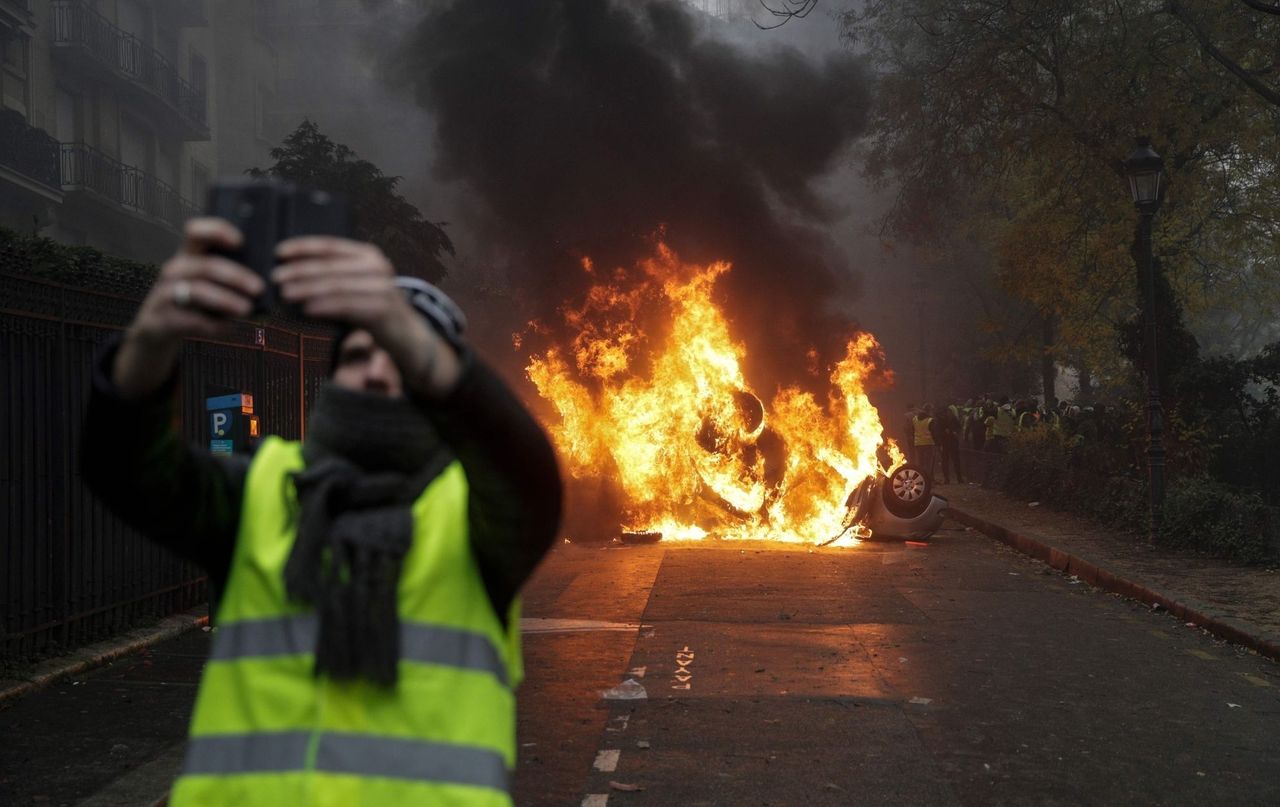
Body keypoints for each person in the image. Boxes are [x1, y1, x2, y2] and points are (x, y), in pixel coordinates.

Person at [81, 218, 562, 806]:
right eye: (360, 353)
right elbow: (125, 468)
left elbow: (528, 473)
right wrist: (150, 339)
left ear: (439, 386)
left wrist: (398, 327)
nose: (380, 370)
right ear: (333, 380)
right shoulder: (261, 495)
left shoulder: (474, 520)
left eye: (403, 358)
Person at [932, 402, 966, 484]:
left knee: (955, 461)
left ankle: (959, 478)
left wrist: (954, 432)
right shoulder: (942, 420)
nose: (948, 413)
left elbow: (959, 429)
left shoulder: (954, 419)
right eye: (948, 411)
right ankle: (947, 479)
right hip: (945, 443)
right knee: (945, 461)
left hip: (953, 442)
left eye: (950, 411)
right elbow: (939, 431)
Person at [912, 403, 937, 478]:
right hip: (929, 444)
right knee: (928, 464)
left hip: (918, 444)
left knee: (920, 463)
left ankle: (920, 479)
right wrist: (938, 443)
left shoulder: (915, 419)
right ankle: (928, 480)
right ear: (929, 411)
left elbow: (912, 431)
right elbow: (934, 433)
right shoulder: (930, 420)